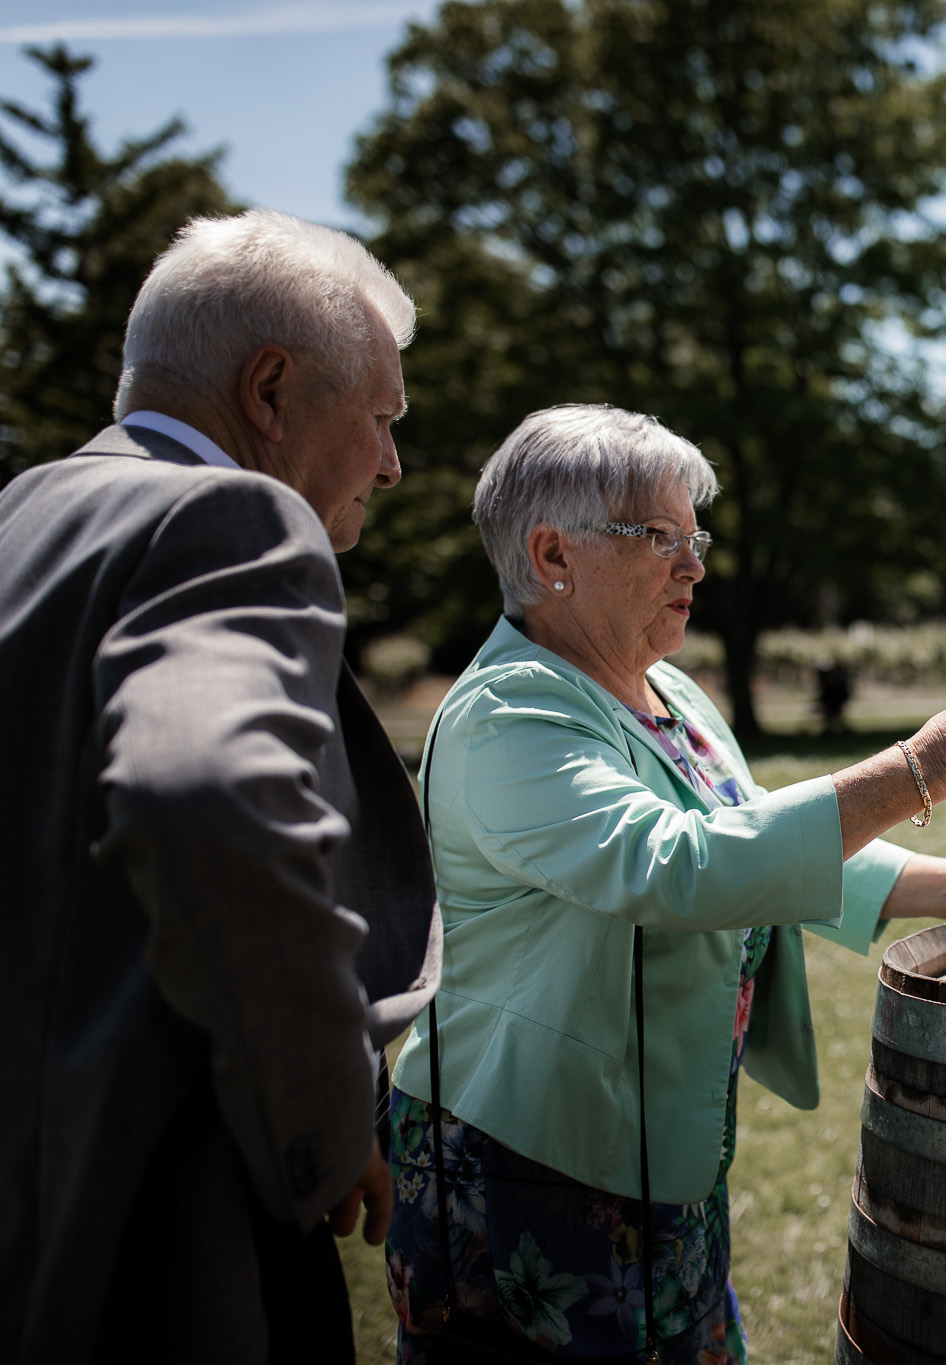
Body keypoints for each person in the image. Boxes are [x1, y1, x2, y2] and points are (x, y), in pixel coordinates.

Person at [384, 404, 946, 1363]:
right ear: (551, 555)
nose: (695, 565)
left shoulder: (672, 691)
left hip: (659, 1159)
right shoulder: (510, 715)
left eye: (692, 536)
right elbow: (679, 866)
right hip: (523, 1168)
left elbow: (749, 834)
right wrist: (922, 769)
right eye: (660, 537)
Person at [0, 209, 442, 1364]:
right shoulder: (233, 517)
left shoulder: (25, 514)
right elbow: (203, 792)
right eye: (383, 418)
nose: (394, 464)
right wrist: (322, 1119)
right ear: (271, 389)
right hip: (153, 1243)